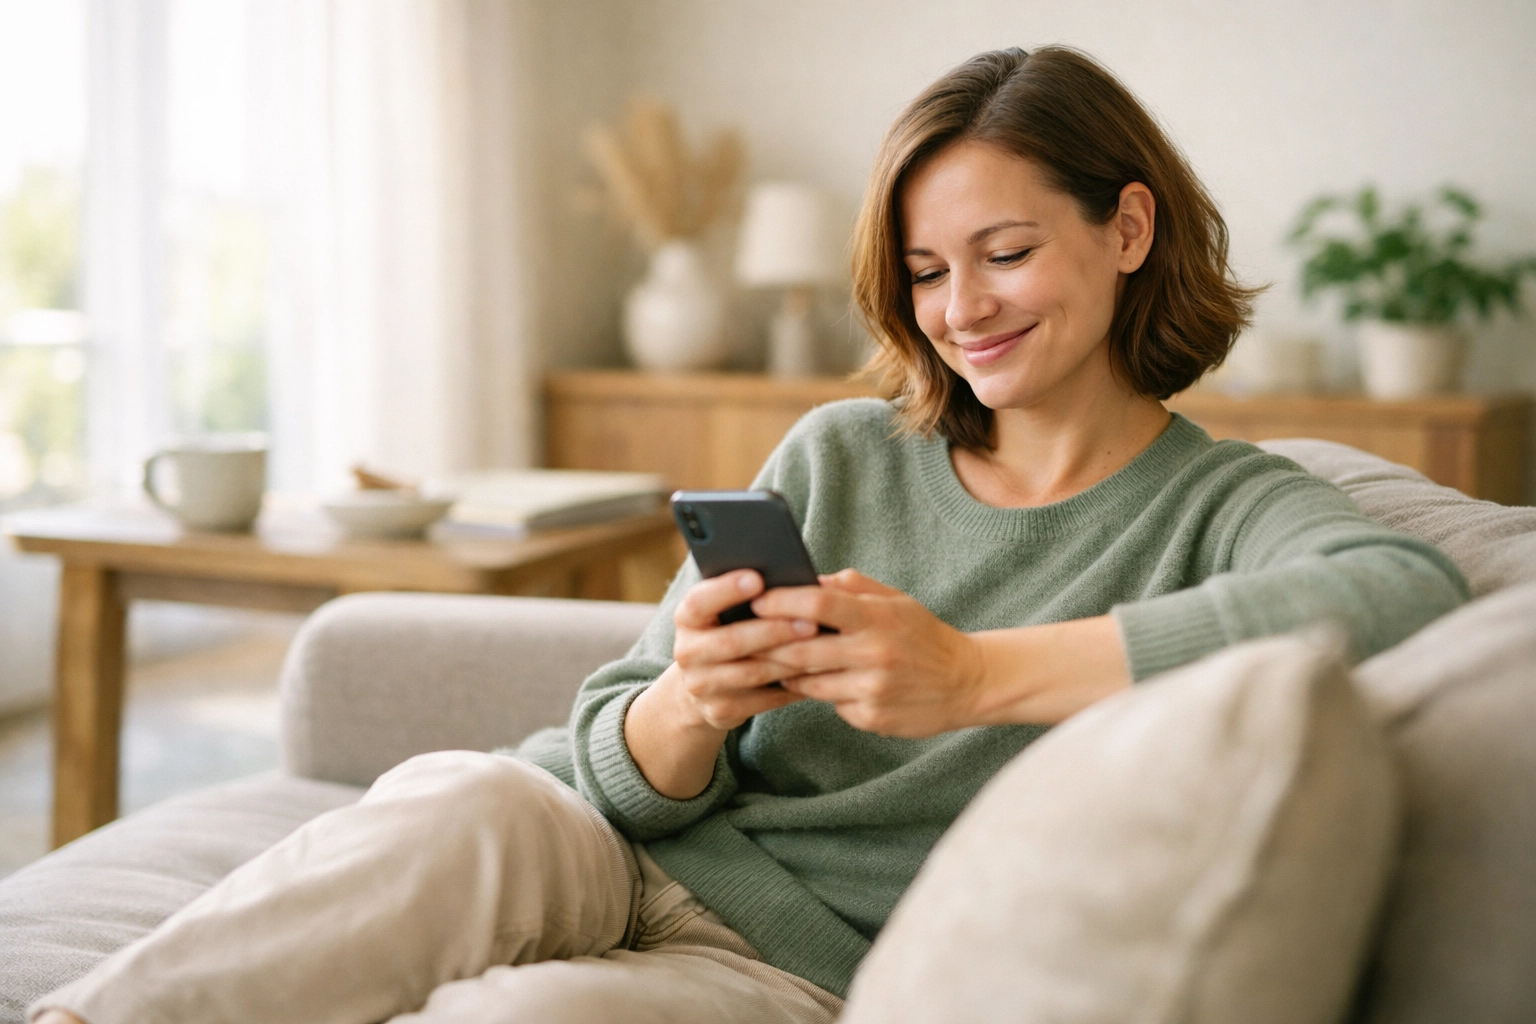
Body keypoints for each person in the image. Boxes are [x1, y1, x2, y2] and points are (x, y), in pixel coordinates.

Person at [33, 45, 1466, 1024]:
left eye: (1008, 252)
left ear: (1130, 229)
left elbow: (1398, 591)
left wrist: (972, 676)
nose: (962, 308)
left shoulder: (1223, 506)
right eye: (924, 271)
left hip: (795, 972)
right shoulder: (843, 452)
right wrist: (689, 703)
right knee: (457, 799)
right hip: (609, 845)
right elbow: (613, 751)